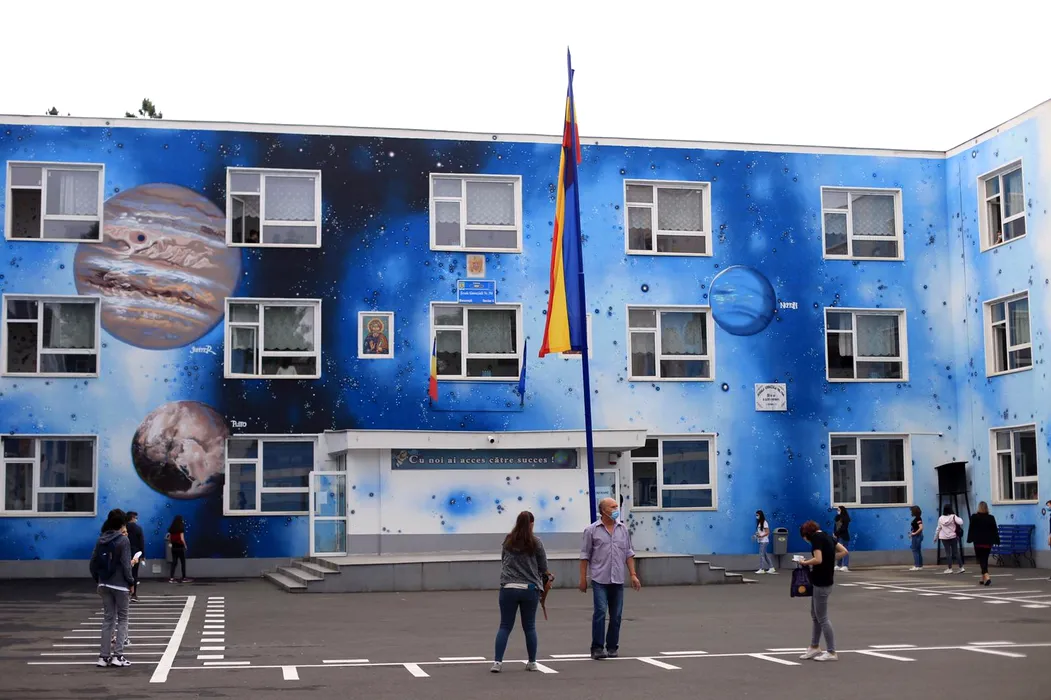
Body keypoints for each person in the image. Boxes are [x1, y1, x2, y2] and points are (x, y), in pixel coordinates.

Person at [580, 497, 641, 660]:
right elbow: (584, 556)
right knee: (600, 612)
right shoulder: (591, 530)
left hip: (617, 579)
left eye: (616, 506)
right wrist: (583, 578)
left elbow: (628, 553)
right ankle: (597, 647)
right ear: (603, 511)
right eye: (612, 507)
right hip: (599, 578)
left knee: (616, 615)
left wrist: (633, 575)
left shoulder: (623, 529)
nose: (616, 509)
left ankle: (612, 646)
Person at [491, 511, 551, 673]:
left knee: (505, 626)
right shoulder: (536, 542)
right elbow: (543, 567)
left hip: (508, 587)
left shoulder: (508, 540)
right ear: (531, 524)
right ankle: (532, 662)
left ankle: (497, 662)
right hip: (530, 589)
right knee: (529, 627)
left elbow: (503, 560)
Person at [89, 509, 134, 668]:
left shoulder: (101, 539)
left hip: (104, 584)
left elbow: (93, 563)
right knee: (122, 619)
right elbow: (126, 565)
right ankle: (118, 656)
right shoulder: (123, 540)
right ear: (122, 524)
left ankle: (103, 657)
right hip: (120, 585)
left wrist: (99, 580)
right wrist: (131, 582)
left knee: (108, 619)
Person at [798, 520, 848, 662]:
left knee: (822, 618)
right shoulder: (827, 536)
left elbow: (818, 559)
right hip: (825, 580)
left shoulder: (816, 539)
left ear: (807, 534)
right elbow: (844, 551)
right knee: (815, 615)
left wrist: (804, 562)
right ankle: (814, 646)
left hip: (821, 581)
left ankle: (831, 651)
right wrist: (830, 559)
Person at [967, 501, 1000, 586]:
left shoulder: (974, 517)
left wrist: (970, 539)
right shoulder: (991, 518)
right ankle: (982, 578)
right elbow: (994, 530)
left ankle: (987, 576)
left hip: (978, 542)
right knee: (984, 559)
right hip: (988, 543)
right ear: (986, 508)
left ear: (979, 508)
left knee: (981, 559)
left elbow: (971, 529)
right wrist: (997, 540)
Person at [936, 505, 965, 574]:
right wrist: (955, 517)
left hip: (944, 537)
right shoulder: (953, 516)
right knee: (956, 552)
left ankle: (950, 568)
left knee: (948, 553)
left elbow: (938, 528)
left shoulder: (940, 518)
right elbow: (961, 522)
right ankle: (961, 567)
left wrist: (935, 537)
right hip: (953, 536)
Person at [125, 512, 145, 602]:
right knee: (134, 573)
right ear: (132, 518)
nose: (136, 519)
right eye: (136, 517)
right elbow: (141, 542)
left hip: (124, 552)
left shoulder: (123, 528)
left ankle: (125, 593)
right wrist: (143, 555)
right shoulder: (138, 528)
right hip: (135, 553)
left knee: (124, 572)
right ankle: (133, 594)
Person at [167, 515, 191, 583]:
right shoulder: (181, 528)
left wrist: (171, 544)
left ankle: (171, 578)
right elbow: (182, 539)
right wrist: (185, 546)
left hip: (174, 547)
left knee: (174, 563)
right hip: (180, 547)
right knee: (183, 562)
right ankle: (184, 578)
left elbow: (169, 538)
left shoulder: (171, 529)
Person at [753, 510, 775, 574]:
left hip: (764, 541)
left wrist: (761, 536)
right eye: (756, 515)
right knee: (765, 554)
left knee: (761, 554)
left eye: (757, 515)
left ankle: (762, 569)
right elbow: (761, 532)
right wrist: (757, 535)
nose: (756, 516)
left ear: (761, 515)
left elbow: (767, 532)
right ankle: (771, 568)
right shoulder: (759, 523)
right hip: (761, 541)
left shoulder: (764, 522)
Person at [833, 505, 851, 572]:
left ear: (842, 511)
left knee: (844, 551)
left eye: (839, 510)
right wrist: (834, 533)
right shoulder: (837, 518)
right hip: (837, 536)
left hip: (843, 537)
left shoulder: (845, 519)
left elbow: (843, 528)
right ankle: (838, 565)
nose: (837, 511)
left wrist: (836, 533)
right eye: (837, 510)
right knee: (838, 551)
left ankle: (845, 565)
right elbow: (835, 527)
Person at [908, 506, 924, 571]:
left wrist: (914, 533)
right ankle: (920, 565)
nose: (911, 512)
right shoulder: (918, 518)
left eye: (912, 511)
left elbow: (921, 527)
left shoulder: (918, 519)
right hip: (917, 536)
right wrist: (912, 534)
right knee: (918, 550)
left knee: (915, 550)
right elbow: (917, 528)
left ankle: (916, 566)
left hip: (917, 536)